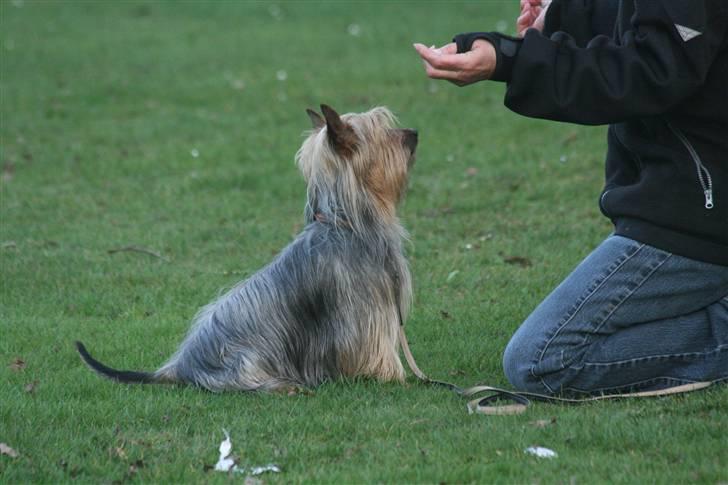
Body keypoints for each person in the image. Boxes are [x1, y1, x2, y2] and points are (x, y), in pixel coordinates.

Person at [414, 0, 728, 396]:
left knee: (543, 360)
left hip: (698, 220)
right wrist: (562, 15)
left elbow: (649, 70)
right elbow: (656, 27)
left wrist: (509, 60)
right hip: (677, 205)